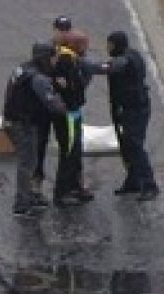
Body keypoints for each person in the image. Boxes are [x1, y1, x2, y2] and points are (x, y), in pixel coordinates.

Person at [35, 16, 95, 205]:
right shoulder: (66, 61)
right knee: (69, 151)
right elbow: (68, 87)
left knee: (75, 151)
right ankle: (62, 192)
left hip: (74, 112)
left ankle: (75, 186)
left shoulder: (74, 59)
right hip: (68, 113)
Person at [3, 42, 67, 217]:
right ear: (46, 58)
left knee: (29, 161)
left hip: (13, 121)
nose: (55, 62)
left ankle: (29, 196)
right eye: (53, 58)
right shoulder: (38, 79)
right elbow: (53, 103)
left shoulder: (23, 69)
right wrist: (63, 104)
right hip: (23, 124)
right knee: (27, 163)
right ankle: (22, 204)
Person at [97, 31, 160, 201]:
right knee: (127, 146)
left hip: (135, 109)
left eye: (110, 44)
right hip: (128, 107)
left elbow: (113, 67)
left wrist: (88, 66)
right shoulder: (133, 55)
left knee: (134, 145)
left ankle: (149, 184)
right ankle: (133, 180)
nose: (108, 48)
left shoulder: (124, 60)